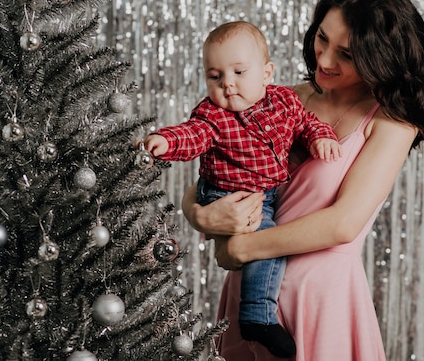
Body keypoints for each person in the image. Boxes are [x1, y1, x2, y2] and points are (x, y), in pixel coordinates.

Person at [182, 0, 424, 360]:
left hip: (321, 298)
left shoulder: (391, 121)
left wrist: (240, 248)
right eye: (323, 38)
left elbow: (342, 224)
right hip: (250, 299)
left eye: (347, 53)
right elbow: (209, 177)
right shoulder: (285, 99)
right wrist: (201, 218)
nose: (324, 59)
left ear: (380, 57)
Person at [142, 21, 342, 357]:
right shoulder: (213, 115)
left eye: (238, 72)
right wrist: (165, 140)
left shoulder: (285, 101)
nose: (228, 85)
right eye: (215, 76)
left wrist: (320, 137)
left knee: (265, 237)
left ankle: (256, 312)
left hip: (266, 196)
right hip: (226, 194)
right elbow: (193, 134)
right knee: (267, 242)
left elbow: (306, 124)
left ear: (267, 73)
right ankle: (257, 317)